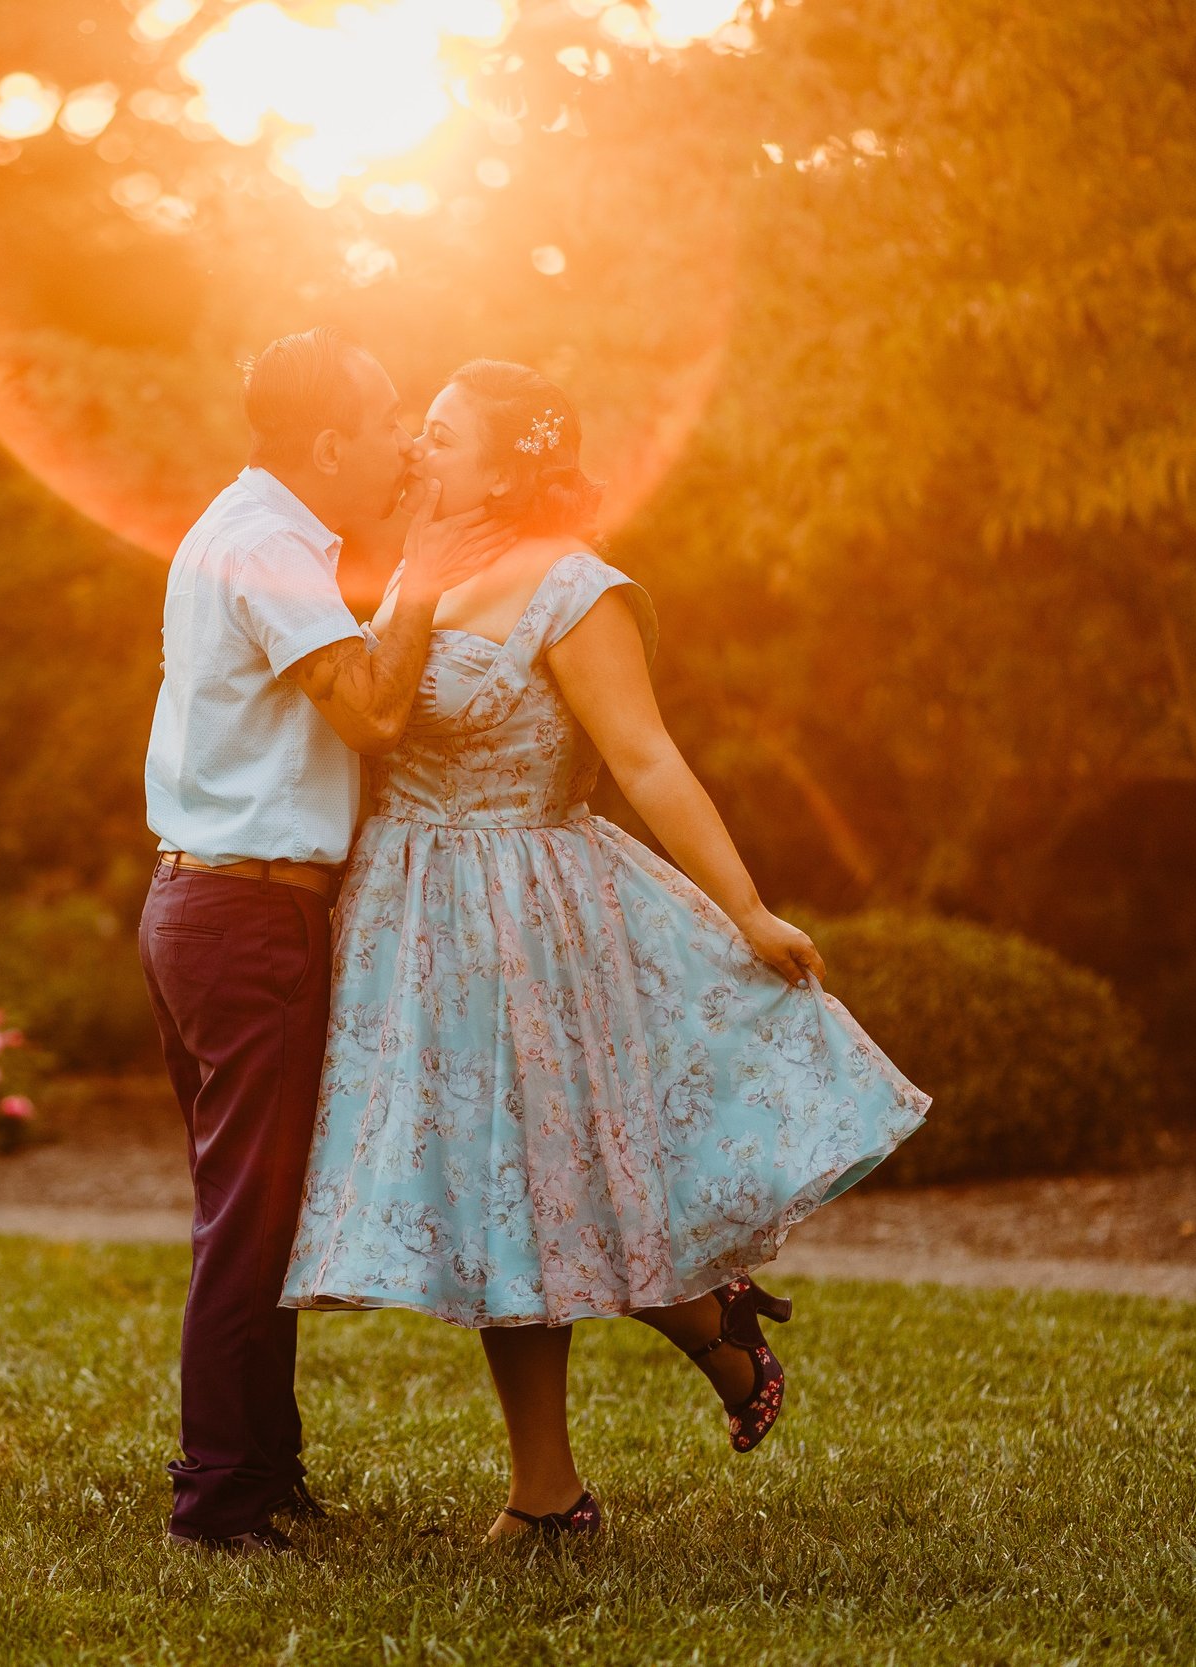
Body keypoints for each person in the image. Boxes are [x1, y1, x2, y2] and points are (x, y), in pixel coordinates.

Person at [279, 359, 931, 1544]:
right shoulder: (410, 578)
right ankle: (619, 1418)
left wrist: (747, 909)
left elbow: (647, 760)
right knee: (492, 1209)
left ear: (509, 461)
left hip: (529, 914)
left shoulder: (575, 587)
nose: (417, 451)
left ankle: (566, 1477)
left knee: (535, 1195)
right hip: (407, 914)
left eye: (441, 432)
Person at [139, 327, 515, 1555]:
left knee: (250, 1204)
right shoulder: (271, 552)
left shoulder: (252, 530)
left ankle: (263, 1467)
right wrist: (421, 558)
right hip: (251, 917)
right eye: (389, 417)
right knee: (249, 1216)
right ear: (328, 442)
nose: (407, 440)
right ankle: (220, 1500)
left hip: (206, 905)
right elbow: (374, 711)